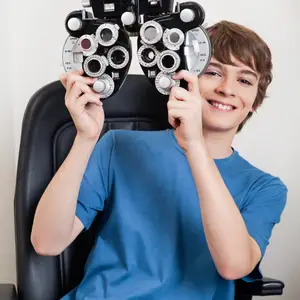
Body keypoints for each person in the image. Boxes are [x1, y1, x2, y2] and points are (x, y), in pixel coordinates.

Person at [30, 20, 288, 300]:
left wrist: (194, 146)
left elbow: (234, 265)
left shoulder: (265, 189)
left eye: (245, 80)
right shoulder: (119, 146)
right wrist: (86, 137)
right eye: (213, 72)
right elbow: (46, 242)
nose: (227, 88)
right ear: (186, 78)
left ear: (256, 101)